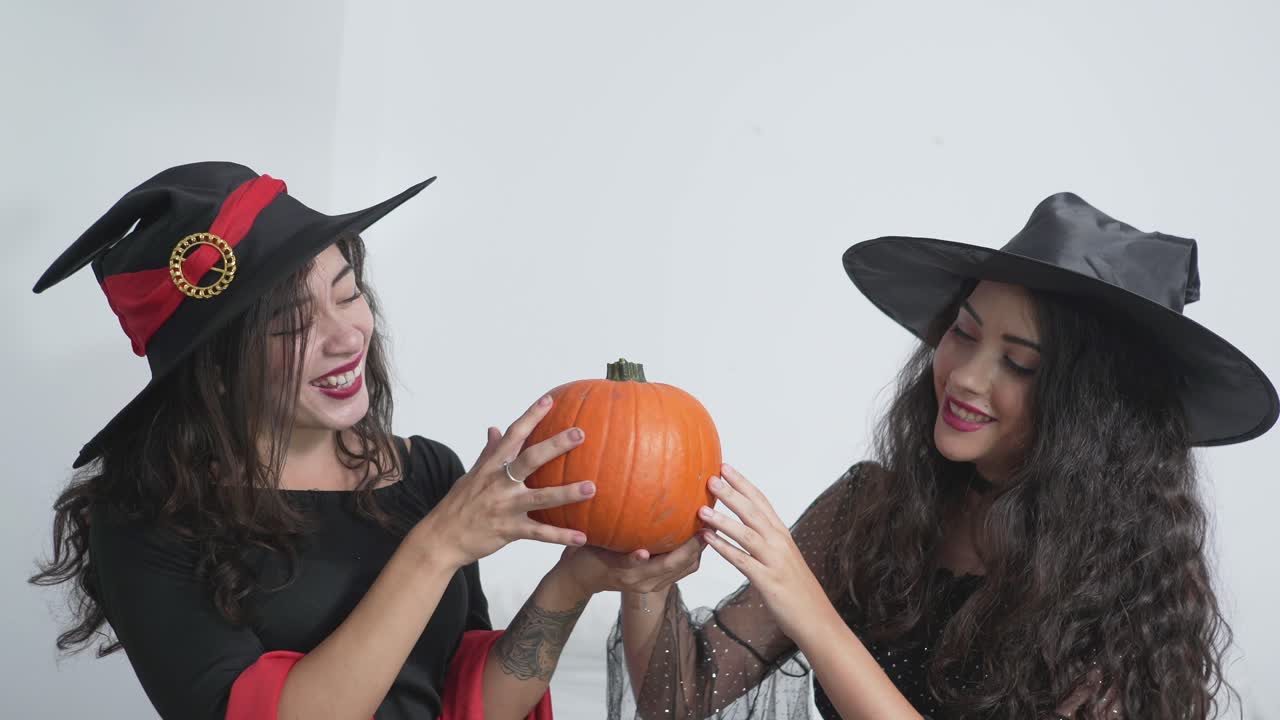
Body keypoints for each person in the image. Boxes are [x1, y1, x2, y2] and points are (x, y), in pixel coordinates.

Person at [596, 193, 1278, 718]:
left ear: (1090, 414)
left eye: (1018, 364)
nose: (966, 376)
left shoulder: (1123, 590)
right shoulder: (870, 511)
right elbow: (676, 695)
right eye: (964, 332)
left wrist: (808, 608)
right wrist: (647, 578)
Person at [28, 161, 631, 720]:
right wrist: (438, 545)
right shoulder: (147, 518)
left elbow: (468, 701)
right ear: (213, 367)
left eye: (348, 293)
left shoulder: (425, 473)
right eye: (292, 324)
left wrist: (572, 581)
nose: (347, 337)